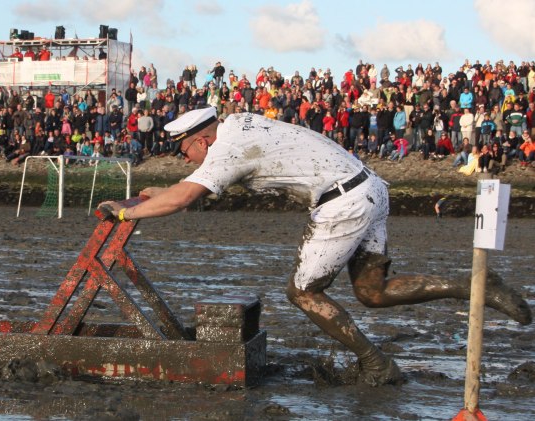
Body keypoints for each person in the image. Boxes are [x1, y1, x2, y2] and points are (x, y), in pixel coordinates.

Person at [99, 107, 531, 387]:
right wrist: (157, 192)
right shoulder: (240, 123)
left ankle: (376, 364)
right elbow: (188, 187)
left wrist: (125, 212)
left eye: (184, 153)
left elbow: (187, 196)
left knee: (302, 292)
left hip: (341, 203)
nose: (186, 161)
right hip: (371, 188)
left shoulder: (226, 149)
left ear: (201, 141)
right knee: (372, 292)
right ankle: (475, 285)